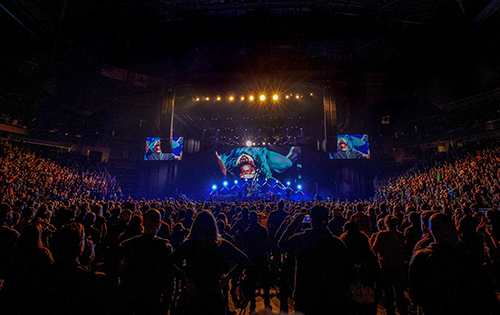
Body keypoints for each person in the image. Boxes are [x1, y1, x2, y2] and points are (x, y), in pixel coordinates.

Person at [278, 205, 353, 315]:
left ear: (311, 221)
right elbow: (346, 272)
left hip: (306, 296)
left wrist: (294, 224)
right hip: (331, 297)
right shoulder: (337, 244)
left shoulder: (301, 239)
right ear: (327, 220)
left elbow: (281, 245)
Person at [171, 210, 249, 315]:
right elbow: (245, 260)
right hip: (213, 296)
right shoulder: (220, 246)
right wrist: (227, 277)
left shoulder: (189, 246)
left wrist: (184, 277)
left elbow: (167, 262)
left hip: (192, 295)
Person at [119, 209, 175, 314]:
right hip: (153, 297)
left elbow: (122, 270)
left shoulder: (128, 244)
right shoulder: (164, 247)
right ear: (159, 224)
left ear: (142, 222)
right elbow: (169, 279)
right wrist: (166, 303)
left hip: (131, 296)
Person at [371, 215, 408, 315]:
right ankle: (402, 310)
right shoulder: (400, 235)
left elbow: (374, 248)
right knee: (399, 291)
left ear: (386, 224)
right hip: (398, 266)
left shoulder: (381, 235)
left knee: (388, 293)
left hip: (385, 267)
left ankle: (390, 312)